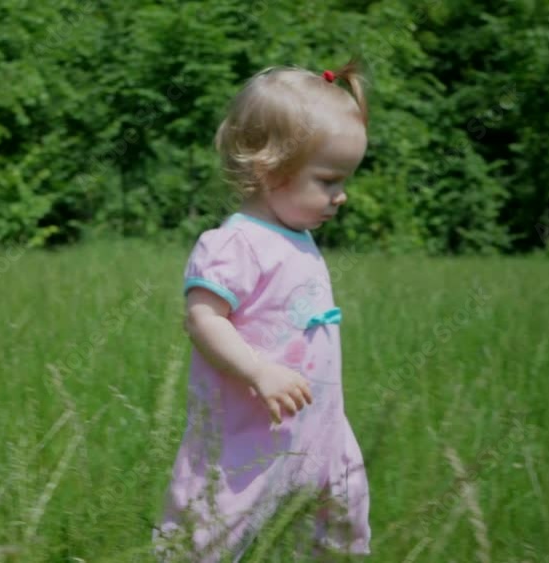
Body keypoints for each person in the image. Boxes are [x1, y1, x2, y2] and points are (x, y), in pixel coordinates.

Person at [153, 61, 372, 561]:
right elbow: (203, 318)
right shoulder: (234, 244)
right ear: (267, 170)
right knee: (210, 530)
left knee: (343, 520)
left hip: (320, 425)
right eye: (328, 180)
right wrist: (258, 371)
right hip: (249, 431)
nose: (342, 195)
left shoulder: (298, 237)